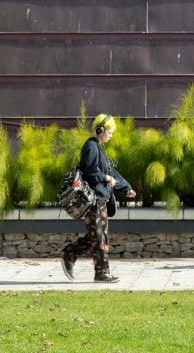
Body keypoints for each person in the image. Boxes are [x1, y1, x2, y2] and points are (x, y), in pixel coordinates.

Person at [60, 114, 136, 283]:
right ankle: (101, 273)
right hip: (93, 200)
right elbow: (90, 173)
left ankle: (70, 253)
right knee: (100, 236)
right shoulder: (91, 147)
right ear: (100, 130)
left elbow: (111, 173)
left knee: (97, 236)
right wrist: (106, 178)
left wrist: (126, 188)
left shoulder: (98, 147)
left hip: (100, 199)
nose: (111, 134)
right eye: (110, 131)